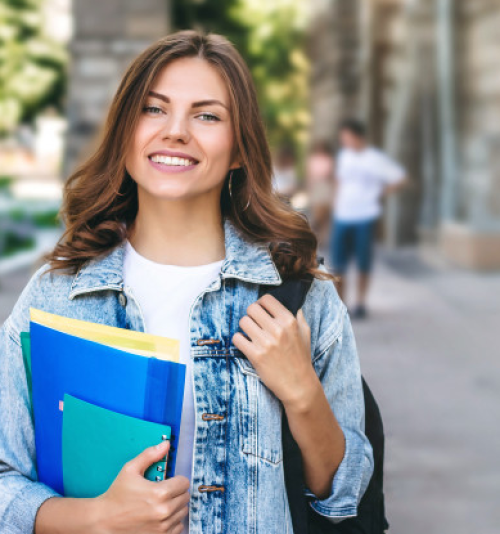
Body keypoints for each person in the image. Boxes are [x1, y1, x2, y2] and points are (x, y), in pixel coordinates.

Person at [0, 31, 373, 534]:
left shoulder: (301, 298)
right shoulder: (57, 294)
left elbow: (345, 495)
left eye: (207, 115)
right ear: (125, 134)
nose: (175, 131)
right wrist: (95, 518)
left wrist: (303, 394)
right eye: (153, 109)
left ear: (240, 149)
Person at [331, 118, 408, 319]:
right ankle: (341, 304)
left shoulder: (375, 158)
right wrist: (336, 202)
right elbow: (339, 181)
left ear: (357, 136)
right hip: (342, 215)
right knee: (338, 263)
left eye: (346, 137)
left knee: (363, 262)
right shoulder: (344, 156)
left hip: (365, 215)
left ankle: (361, 302)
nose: (344, 141)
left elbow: (400, 178)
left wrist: (379, 194)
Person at [305, 141, 335, 256]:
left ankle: (322, 239)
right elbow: (309, 175)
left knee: (325, 215)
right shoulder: (312, 160)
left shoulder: (330, 160)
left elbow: (332, 176)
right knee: (318, 214)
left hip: (326, 187)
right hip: (316, 187)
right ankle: (312, 236)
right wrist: (309, 189)